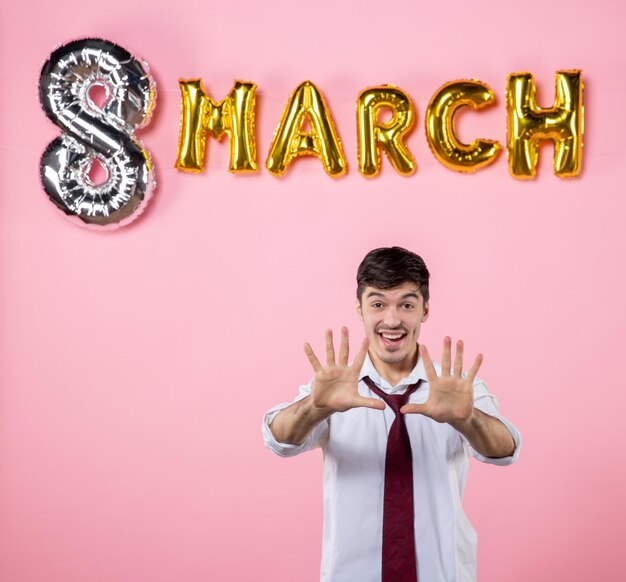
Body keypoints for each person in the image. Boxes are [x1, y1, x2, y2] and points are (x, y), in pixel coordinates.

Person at [262, 247, 521, 582]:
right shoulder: (334, 388)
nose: (392, 320)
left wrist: (465, 419)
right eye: (378, 304)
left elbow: (504, 451)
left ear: (425, 310)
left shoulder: (454, 388)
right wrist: (316, 405)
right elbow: (280, 440)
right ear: (360, 309)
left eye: (407, 304)